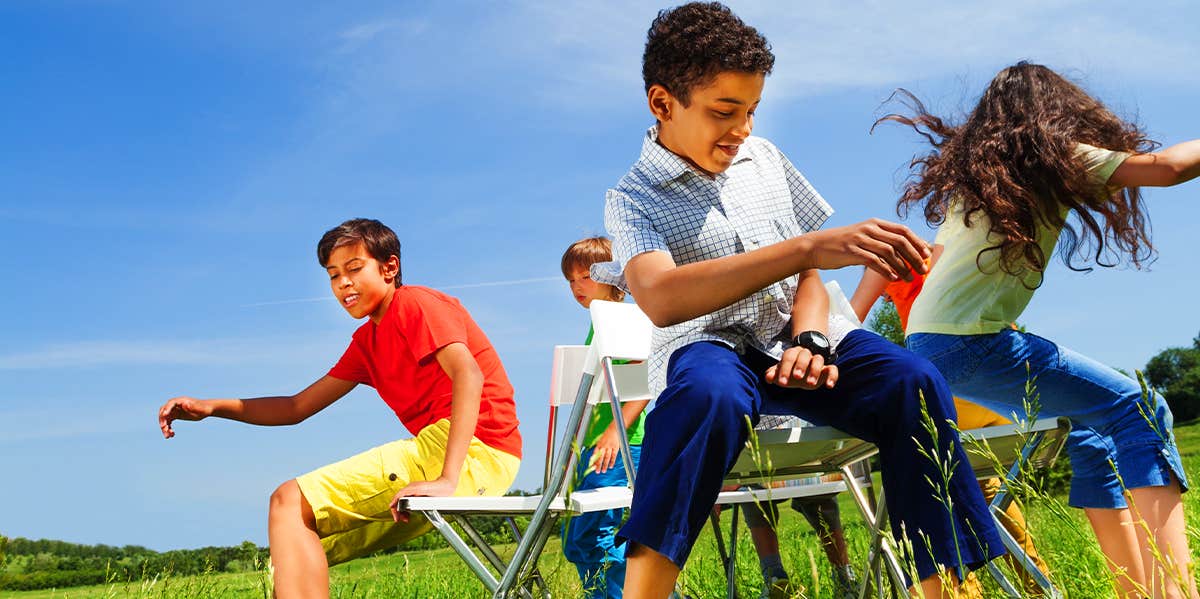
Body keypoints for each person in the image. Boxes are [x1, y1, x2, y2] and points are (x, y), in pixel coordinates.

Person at [593, 4, 1004, 597]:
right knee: (704, 395)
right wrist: (806, 246)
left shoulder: (765, 159)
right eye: (724, 112)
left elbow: (807, 274)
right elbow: (658, 297)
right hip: (710, 346)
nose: (742, 130)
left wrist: (811, 337)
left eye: (752, 111)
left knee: (912, 380)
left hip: (800, 335)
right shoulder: (631, 197)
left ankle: (939, 589)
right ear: (662, 103)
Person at [881, 61, 1200, 598]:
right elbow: (1166, 168)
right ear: (1055, 116)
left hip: (929, 343)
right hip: (970, 341)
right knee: (1141, 407)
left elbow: (937, 266)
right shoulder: (1051, 160)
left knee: (1092, 430)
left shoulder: (975, 182)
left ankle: (1136, 591)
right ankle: (1176, 591)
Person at [156, 218, 522, 598]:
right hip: (461, 456)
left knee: (289, 501)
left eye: (354, 269)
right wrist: (210, 407)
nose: (343, 283)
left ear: (389, 268)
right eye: (333, 276)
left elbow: (469, 375)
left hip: (472, 452)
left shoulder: (415, 304)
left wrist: (447, 479)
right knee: (294, 550)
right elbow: (296, 406)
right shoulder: (367, 342)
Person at [851, 265, 1053, 597]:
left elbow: (850, 318)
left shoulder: (889, 267)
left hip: (956, 387)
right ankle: (1039, 585)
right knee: (988, 488)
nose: (889, 298)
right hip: (1006, 394)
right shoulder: (953, 259)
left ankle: (960, 591)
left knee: (934, 478)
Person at [559, 237, 650, 598]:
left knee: (593, 534)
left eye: (585, 277)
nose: (577, 286)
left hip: (622, 445)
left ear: (613, 276)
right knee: (579, 540)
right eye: (571, 280)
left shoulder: (627, 317)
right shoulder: (601, 322)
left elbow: (645, 382)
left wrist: (615, 431)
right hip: (595, 447)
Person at [719, 415, 859, 599]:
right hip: (822, 461)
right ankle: (845, 578)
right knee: (820, 497)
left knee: (752, 494)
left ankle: (774, 575)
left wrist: (722, 478)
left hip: (758, 464)